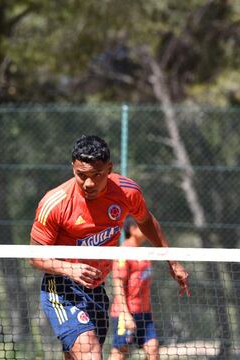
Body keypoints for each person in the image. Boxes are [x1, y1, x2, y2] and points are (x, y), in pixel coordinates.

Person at [29, 135, 189, 360]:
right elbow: (34, 256)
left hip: (96, 290)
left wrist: (171, 259)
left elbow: (145, 220)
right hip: (62, 289)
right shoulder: (55, 203)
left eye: (97, 175)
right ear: (73, 168)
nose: (88, 183)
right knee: (92, 355)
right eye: (81, 175)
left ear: (109, 169)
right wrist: (70, 269)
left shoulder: (127, 192)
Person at [109, 216, 159, 360]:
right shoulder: (124, 251)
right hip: (125, 313)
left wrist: (149, 311)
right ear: (132, 229)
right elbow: (118, 284)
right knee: (120, 352)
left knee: (153, 348)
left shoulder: (144, 253)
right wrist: (125, 314)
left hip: (144, 313)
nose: (147, 230)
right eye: (143, 227)